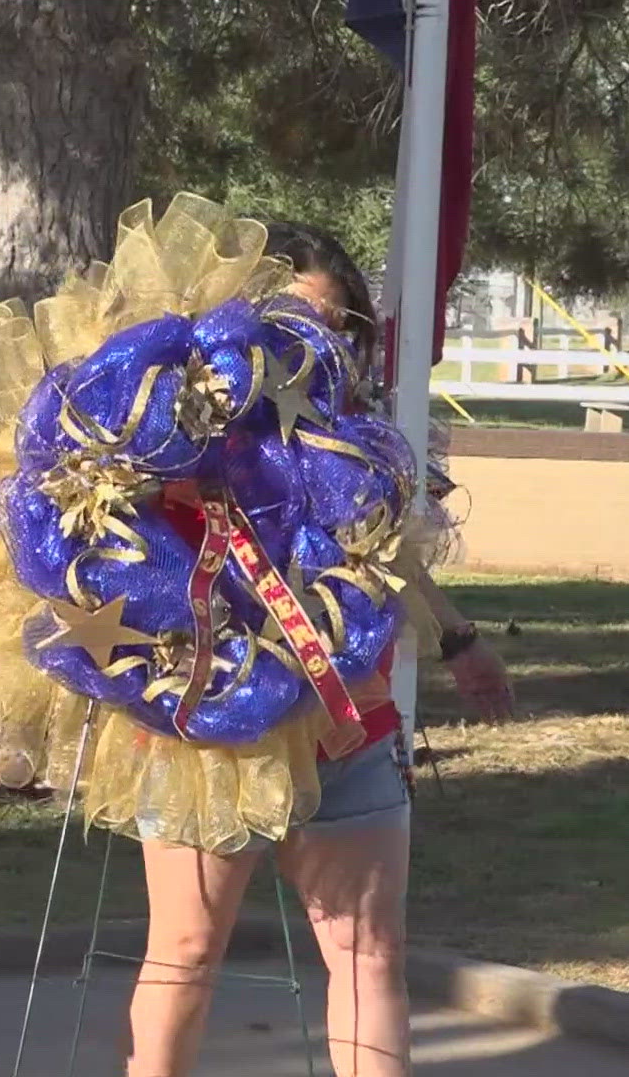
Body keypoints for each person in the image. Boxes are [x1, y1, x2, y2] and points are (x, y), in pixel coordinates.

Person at [123, 222, 515, 1077]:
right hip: (213, 731)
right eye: (290, 320)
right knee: (187, 948)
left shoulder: (357, 438)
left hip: (350, 722)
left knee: (371, 954)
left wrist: (457, 636)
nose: (312, 344)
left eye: (336, 327)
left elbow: (382, 551)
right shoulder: (165, 428)